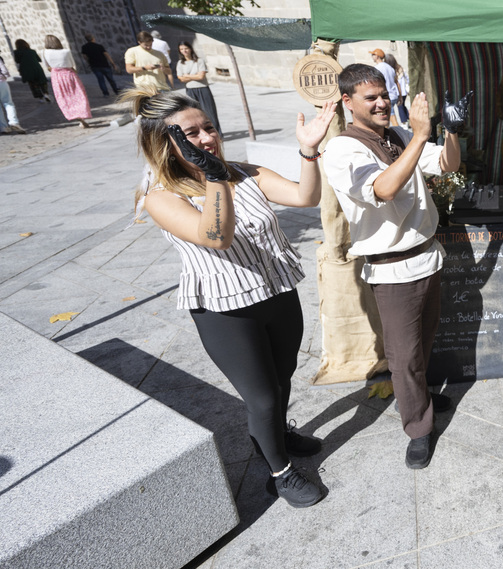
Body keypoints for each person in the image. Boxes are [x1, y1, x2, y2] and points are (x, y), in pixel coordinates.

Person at [129, 87, 338, 507]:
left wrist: (309, 151)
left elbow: (305, 197)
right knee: (260, 396)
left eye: (209, 127)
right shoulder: (160, 197)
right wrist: (215, 178)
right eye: (192, 133)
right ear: (164, 143)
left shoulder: (243, 171)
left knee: (281, 379)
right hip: (226, 309)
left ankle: (278, 435)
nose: (207, 138)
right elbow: (216, 236)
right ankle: (279, 472)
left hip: (276, 290)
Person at [323, 65, 472, 470]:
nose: (382, 102)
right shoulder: (342, 149)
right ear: (347, 102)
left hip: (427, 256)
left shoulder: (397, 135)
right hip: (392, 270)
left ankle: (419, 398)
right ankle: (418, 428)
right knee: (404, 357)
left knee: (423, 343)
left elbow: (448, 165)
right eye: (370, 98)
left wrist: (451, 131)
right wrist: (421, 134)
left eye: (384, 94)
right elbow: (383, 189)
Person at [43, 35, 93, 127]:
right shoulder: (66, 51)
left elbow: (47, 66)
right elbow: (71, 64)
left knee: (63, 96)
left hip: (56, 76)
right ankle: (82, 115)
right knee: (77, 94)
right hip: (69, 74)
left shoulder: (46, 52)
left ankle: (74, 115)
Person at [176, 41, 222, 134]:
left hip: (202, 88)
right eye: (181, 49)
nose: (184, 51)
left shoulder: (199, 61)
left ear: (190, 49)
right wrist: (194, 75)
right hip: (190, 90)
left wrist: (187, 76)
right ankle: (202, 132)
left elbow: (201, 77)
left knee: (210, 112)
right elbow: (180, 79)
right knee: (195, 112)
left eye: (186, 48)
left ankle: (217, 133)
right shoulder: (180, 63)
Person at [80, 34, 123, 98]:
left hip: (95, 66)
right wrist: (113, 64)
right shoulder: (99, 46)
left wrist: (89, 61)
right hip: (104, 65)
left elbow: (85, 56)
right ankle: (116, 91)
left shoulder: (84, 47)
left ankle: (106, 93)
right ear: (93, 39)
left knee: (101, 80)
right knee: (111, 79)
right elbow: (106, 55)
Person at [368, 48, 402, 125]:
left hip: (386, 96)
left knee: (391, 117)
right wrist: (400, 96)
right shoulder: (390, 68)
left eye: (373, 55)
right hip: (393, 94)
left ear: (377, 56)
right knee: (386, 117)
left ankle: (398, 132)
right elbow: (396, 82)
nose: (371, 56)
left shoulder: (377, 68)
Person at [0, 55, 27, 133]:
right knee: (8, 103)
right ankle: (13, 122)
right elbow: (4, 70)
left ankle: (3, 127)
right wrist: (5, 76)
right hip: (1, 82)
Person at [384, 52, 410, 125]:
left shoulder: (390, 70)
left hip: (396, 92)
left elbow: (395, 82)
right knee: (402, 106)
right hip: (403, 91)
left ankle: (403, 123)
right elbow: (407, 78)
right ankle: (408, 120)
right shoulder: (400, 68)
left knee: (398, 108)